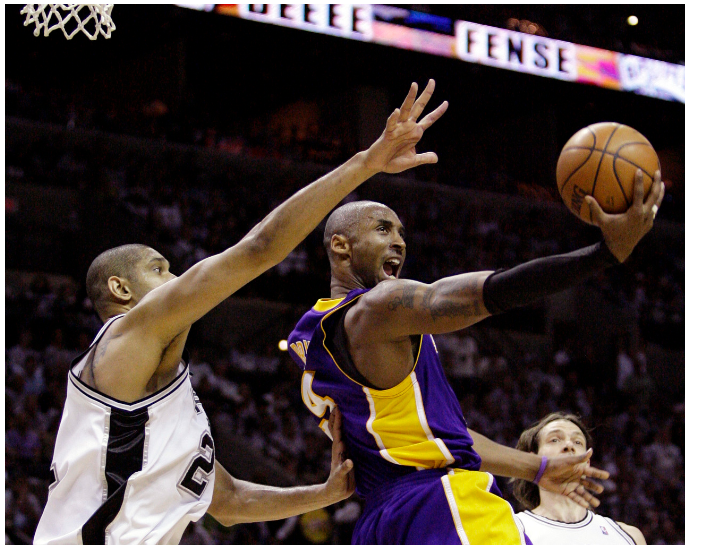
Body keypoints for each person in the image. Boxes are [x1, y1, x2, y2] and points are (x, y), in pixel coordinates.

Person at [33, 79, 449, 545]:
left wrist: (324, 494)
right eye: (160, 269)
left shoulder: (169, 401)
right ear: (120, 289)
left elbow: (230, 503)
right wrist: (365, 163)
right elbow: (259, 248)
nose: (176, 278)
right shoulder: (128, 332)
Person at [287, 167, 664, 544]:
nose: (399, 242)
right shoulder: (378, 307)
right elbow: (488, 291)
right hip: (442, 505)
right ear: (341, 246)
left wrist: (537, 468)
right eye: (383, 229)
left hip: (379, 524)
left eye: (402, 233)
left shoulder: (308, 338)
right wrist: (604, 254)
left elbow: (444, 442)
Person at [513, 412, 646, 545]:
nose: (569, 445)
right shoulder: (514, 530)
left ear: (587, 462)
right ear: (534, 460)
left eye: (577, 442)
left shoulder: (629, 537)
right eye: (554, 440)